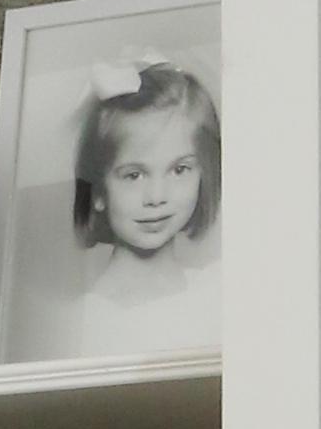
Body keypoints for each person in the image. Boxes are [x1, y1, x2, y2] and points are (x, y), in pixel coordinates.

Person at [64, 52, 219, 336]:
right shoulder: (86, 323)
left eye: (179, 169)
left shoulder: (217, 290)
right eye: (134, 175)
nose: (157, 196)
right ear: (98, 189)